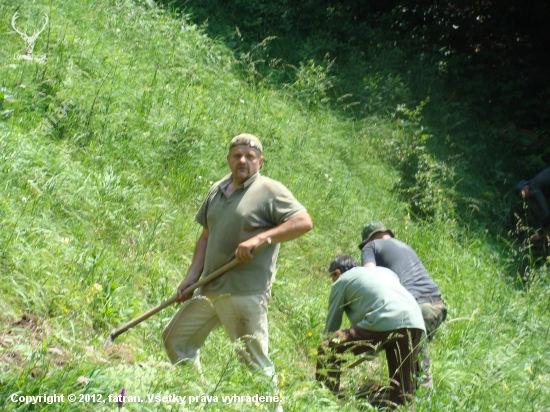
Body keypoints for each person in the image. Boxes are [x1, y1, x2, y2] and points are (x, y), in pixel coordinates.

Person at [163, 133, 313, 383]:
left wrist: (259, 239)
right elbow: (205, 237)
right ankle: (197, 396)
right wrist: (192, 277)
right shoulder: (217, 189)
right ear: (228, 159)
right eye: (237, 156)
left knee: (254, 364)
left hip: (245, 293)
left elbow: (303, 222)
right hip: (209, 288)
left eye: (250, 157)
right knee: (176, 338)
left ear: (260, 161)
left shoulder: (269, 190)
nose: (242, 160)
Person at [316, 255, 425, 408]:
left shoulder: (342, 280)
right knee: (403, 390)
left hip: (384, 319)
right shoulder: (385, 272)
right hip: (415, 321)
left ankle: (323, 402)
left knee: (328, 349)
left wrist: (328, 346)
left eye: (332, 276)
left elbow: (332, 325)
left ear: (338, 273)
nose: (332, 280)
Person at [359, 221, 447, 388]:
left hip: (415, 308)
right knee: (416, 362)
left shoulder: (371, 247)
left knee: (410, 373)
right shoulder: (404, 247)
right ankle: (422, 400)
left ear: (368, 240)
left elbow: (369, 279)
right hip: (437, 307)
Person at [514, 166, 550, 242]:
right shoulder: (541, 184)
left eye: (522, 196)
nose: (525, 200)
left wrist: (541, 233)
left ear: (524, 188)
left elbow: (545, 213)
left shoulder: (534, 187)